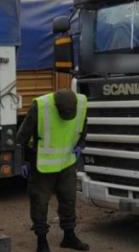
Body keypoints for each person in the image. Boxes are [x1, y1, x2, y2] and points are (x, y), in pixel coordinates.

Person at [16, 89, 90, 252]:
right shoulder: (40, 106)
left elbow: (83, 127)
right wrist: (23, 161)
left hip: (67, 162)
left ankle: (69, 236)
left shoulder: (82, 103)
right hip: (43, 165)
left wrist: (81, 145)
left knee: (69, 200)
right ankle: (42, 241)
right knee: (39, 202)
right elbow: (21, 137)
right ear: (56, 108)